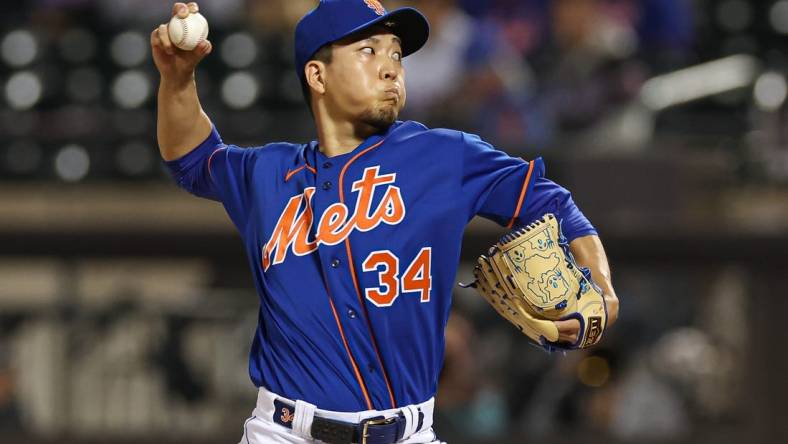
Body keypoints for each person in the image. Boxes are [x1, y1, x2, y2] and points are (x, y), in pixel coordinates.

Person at [151, 1, 620, 443]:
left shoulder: (443, 156)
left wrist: (600, 280)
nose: (391, 65)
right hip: (284, 431)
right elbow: (192, 159)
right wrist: (177, 79)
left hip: (409, 430)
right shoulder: (268, 174)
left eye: (397, 53)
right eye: (368, 50)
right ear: (318, 74)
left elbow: (550, 201)